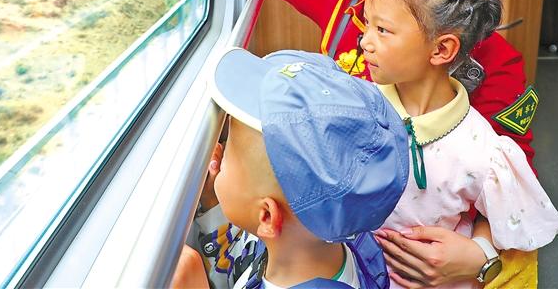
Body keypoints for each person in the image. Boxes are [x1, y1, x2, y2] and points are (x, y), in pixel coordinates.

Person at [172, 0, 538, 286]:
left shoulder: (496, 64)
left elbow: (511, 178)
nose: (368, 40)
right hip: (342, 236)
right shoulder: (346, 2)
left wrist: (479, 254)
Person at [362, 0, 558, 288]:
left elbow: (512, 223)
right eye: (367, 24)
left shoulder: (482, 150)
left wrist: (481, 251)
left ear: (442, 49)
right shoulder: (358, 109)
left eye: (382, 30)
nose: (365, 41)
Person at [173, 48, 411, 288]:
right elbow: (245, 261)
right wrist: (211, 202)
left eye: (226, 151)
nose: (218, 153)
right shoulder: (326, 232)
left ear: (267, 215)